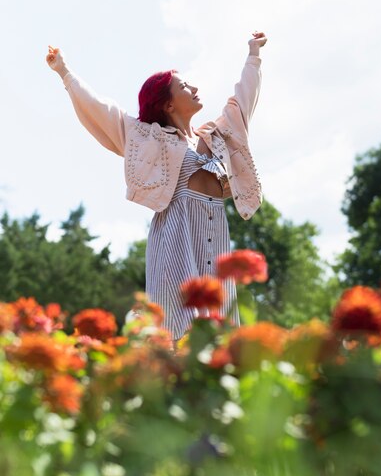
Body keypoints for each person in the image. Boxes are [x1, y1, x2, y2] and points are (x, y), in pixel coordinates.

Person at [46, 32, 267, 341]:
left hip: (215, 238)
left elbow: (242, 103)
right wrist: (65, 72)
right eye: (185, 86)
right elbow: (101, 110)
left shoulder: (217, 136)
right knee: (175, 328)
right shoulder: (148, 139)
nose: (195, 88)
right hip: (175, 239)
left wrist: (253, 56)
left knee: (220, 332)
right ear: (167, 104)